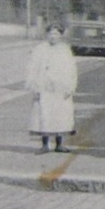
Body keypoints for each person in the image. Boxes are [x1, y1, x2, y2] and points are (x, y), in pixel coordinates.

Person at [25, 22, 78, 154]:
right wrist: (34, 86)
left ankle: (59, 144)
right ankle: (45, 144)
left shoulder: (65, 50)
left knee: (60, 115)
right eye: (51, 33)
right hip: (44, 87)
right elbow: (32, 69)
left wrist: (70, 86)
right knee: (44, 114)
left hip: (61, 88)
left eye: (56, 34)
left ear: (61, 35)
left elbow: (72, 69)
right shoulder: (40, 49)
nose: (53, 36)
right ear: (47, 35)